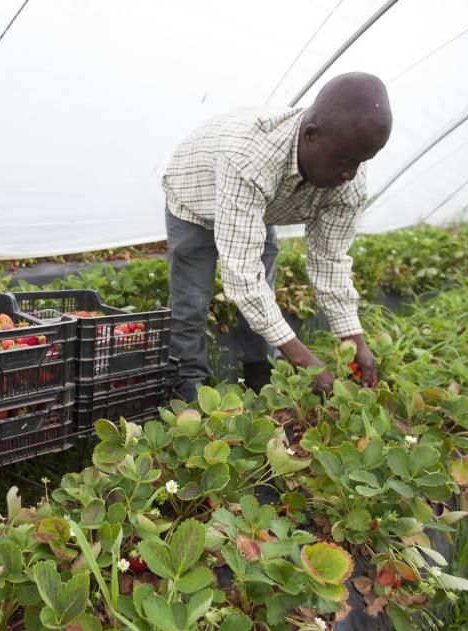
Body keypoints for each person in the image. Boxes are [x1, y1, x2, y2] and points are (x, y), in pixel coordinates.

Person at [162, 72, 392, 401]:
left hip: (259, 206)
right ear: (310, 135)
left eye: (360, 162)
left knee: (263, 288)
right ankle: (187, 383)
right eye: (343, 160)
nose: (350, 173)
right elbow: (242, 277)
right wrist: (302, 357)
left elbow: (330, 263)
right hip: (195, 198)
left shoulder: (348, 179)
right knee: (192, 301)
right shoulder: (249, 157)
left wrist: (355, 340)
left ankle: (260, 372)